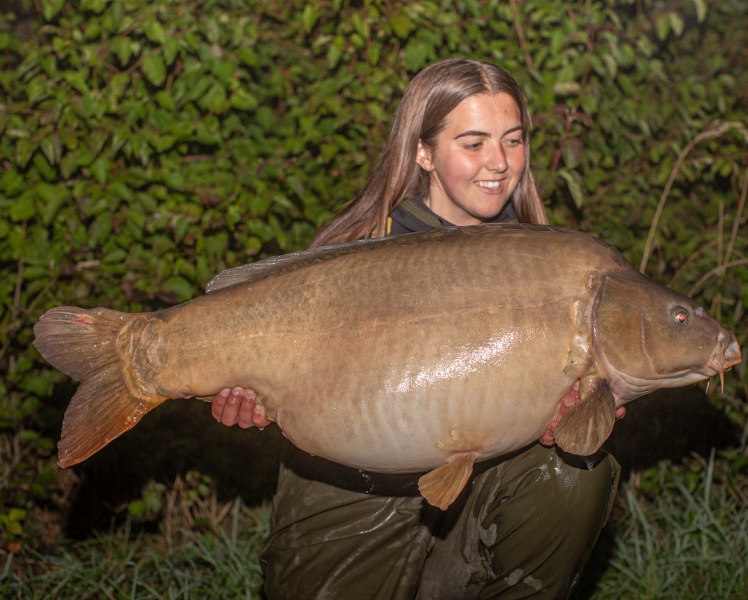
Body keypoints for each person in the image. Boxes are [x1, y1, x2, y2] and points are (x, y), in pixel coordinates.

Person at [212, 58, 623, 599]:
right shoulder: (353, 252)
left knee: (577, 472)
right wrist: (250, 397)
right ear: (424, 152)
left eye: (514, 140)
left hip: (479, 483)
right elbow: (286, 382)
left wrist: (582, 406)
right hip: (350, 485)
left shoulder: (551, 265)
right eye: (473, 144)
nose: (499, 162)